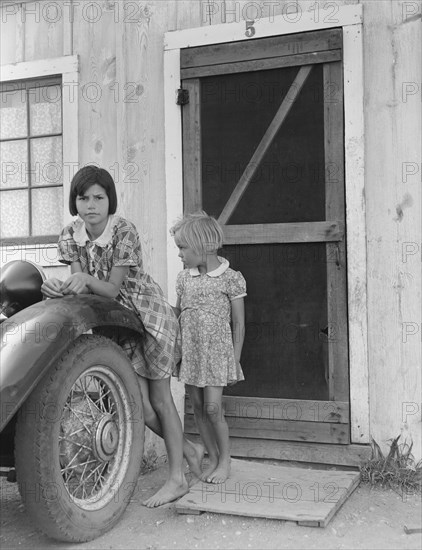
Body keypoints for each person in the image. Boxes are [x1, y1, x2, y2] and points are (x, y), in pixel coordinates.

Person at [41, 165, 204, 507]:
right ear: (75, 201)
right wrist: (57, 287)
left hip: (149, 317)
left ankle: (177, 480)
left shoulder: (124, 231)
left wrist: (83, 280)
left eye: (98, 197)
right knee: (140, 407)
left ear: (109, 200)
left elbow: (113, 288)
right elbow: (81, 288)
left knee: (160, 400)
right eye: (82, 197)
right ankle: (190, 450)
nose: (90, 205)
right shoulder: (70, 235)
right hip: (114, 322)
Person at [170, 211, 246, 484]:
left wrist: (234, 361)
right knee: (198, 407)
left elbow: (239, 324)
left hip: (216, 354)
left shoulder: (230, 278)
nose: (179, 254)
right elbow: (177, 314)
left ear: (205, 246)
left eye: (183, 247)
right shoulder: (183, 278)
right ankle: (212, 456)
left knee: (214, 408)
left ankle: (225, 460)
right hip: (192, 352)